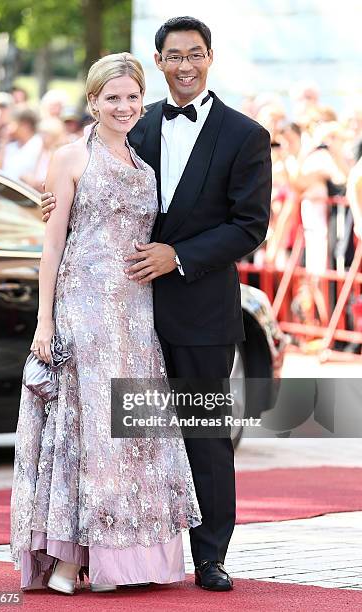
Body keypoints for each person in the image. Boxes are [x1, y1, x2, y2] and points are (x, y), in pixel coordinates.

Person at [41, 16, 272, 591]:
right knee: (125, 436)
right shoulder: (135, 124)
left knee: (204, 434)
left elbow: (250, 224)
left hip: (199, 309)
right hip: (120, 313)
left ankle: (211, 556)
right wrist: (56, 200)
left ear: (210, 58)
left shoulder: (245, 135)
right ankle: (119, 550)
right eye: (174, 56)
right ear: (160, 61)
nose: (185, 65)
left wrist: (180, 256)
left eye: (195, 54)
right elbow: (92, 177)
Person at [10, 52, 201, 594]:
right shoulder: (69, 158)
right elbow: (52, 246)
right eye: (112, 97)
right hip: (83, 309)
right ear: (93, 101)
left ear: (143, 101)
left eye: (132, 97)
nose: (123, 106)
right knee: (86, 431)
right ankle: (70, 559)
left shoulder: (146, 164)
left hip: (136, 315)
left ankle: (125, 558)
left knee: (131, 432)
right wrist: (44, 321)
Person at [0, 108, 42, 181]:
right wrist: (3, 142)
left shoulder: (39, 144)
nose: (7, 128)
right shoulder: (10, 146)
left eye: (11, 123)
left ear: (25, 125)